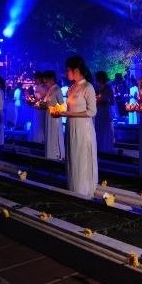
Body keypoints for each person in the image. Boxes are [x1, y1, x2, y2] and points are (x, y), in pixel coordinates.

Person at [53, 56, 98, 198]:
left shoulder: (87, 87)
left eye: (68, 70)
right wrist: (58, 110)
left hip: (83, 128)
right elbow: (68, 106)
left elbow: (92, 111)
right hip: (71, 126)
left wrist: (69, 114)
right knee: (72, 155)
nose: (66, 73)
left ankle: (83, 189)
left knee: (81, 155)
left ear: (76, 70)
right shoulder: (72, 88)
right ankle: (73, 185)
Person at [42, 70, 65, 160]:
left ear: (51, 79)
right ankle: (49, 155)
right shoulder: (50, 89)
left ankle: (56, 154)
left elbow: (62, 105)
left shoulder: (57, 89)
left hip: (55, 116)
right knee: (49, 134)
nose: (46, 83)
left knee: (54, 135)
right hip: (48, 115)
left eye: (46, 81)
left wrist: (49, 106)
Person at [94, 71, 115, 153]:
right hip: (98, 111)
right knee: (98, 129)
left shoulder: (108, 88)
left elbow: (112, 101)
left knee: (105, 129)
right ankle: (99, 147)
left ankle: (106, 148)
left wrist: (103, 100)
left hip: (105, 110)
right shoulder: (97, 88)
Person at [29, 72, 46, 143]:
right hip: (37, 108)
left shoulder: (41, 88)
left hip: (40, 109)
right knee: (37, 124)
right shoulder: (39, 87)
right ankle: (38, 139)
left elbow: (41, 99)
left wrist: (33, 100)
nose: (34, 80)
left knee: (38, 124)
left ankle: (38, 140)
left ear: (39, 79)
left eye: (35, 79)